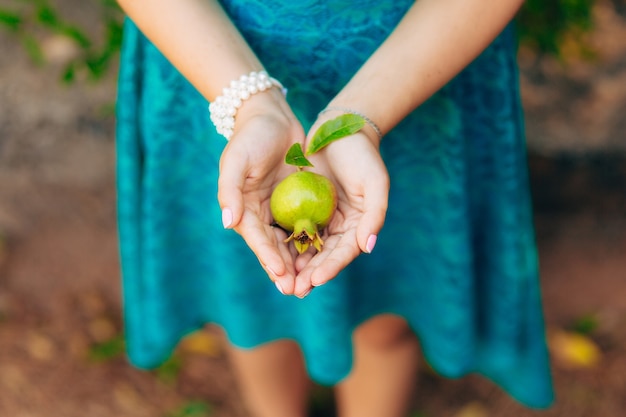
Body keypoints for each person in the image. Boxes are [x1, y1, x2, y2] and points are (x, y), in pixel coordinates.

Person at [114, 1, 554, 416]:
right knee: (249, 299)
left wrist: (364, 116)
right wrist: (249, 105)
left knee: (388, 312)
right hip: (208, 56)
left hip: (423, 59)